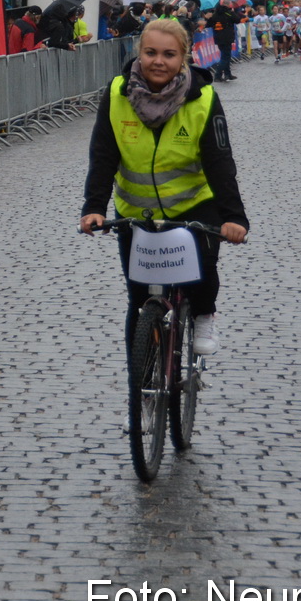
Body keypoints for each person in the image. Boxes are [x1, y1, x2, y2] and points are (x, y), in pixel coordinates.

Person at [79, 20, 248, 356]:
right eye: (150, 52)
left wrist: (234, 218)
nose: (159, 61)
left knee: (202, 274)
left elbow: (220, 163)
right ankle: (139, 383)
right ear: (138, 54)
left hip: (193, 206)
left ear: (184, 58)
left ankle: (203, 316)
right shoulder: (117, 94)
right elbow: (103, 156)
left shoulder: (202, 100)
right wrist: (93, 207)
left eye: (169, 54)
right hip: (135, 212)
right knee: (139, 300)